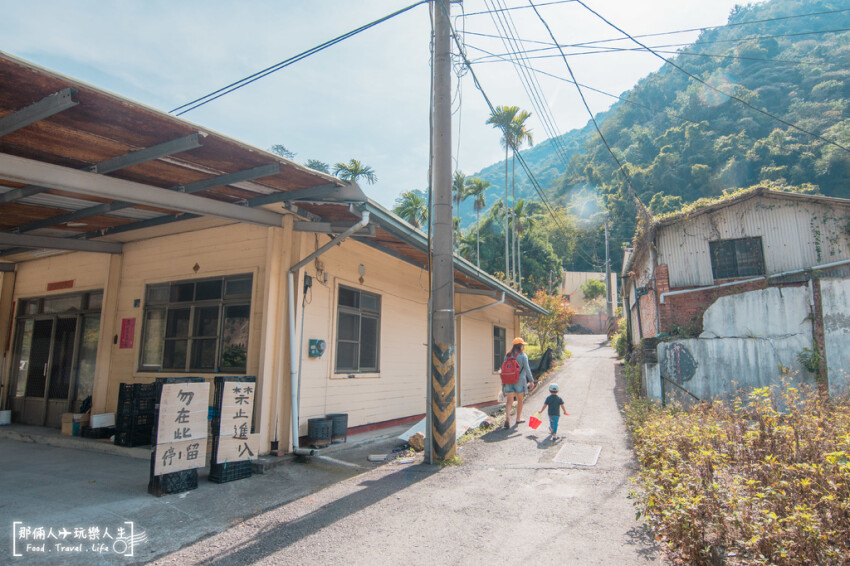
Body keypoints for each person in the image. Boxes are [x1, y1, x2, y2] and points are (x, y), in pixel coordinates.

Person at [503, 337, 534, 429]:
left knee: (509, 401)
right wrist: (531, 380)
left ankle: (507, 417)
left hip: (508, 380)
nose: (523, 347)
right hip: (519, 381)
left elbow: (504, 369)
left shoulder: (507, 355)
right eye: (523, 345)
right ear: (520, 346)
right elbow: (527, 369)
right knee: (520, 400)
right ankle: (518, 419)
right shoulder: (523, 356)